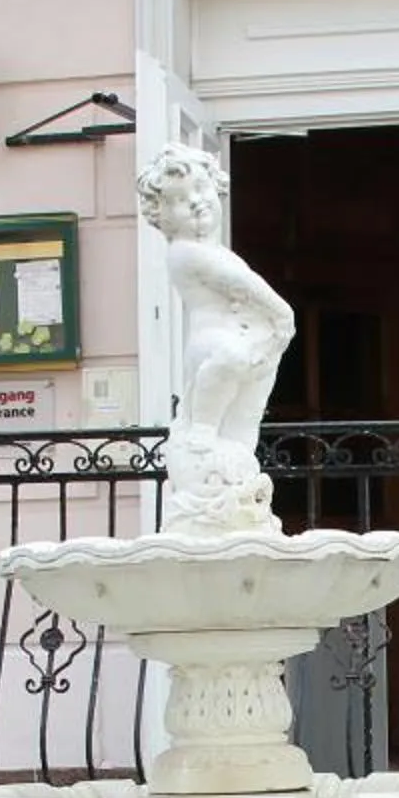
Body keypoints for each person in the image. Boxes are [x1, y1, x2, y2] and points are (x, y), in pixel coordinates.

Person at [137, 144, 291, 535]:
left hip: (252, 342)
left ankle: (233, 484)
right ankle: (202, 432)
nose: (195, 203)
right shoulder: (186, 252)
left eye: (201, 190)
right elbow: (240, 283)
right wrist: (281, 314)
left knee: (244, 422)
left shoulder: (215, 248)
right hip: (212, 344)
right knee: (230, 358)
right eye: (179, 200)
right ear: (162, 217)